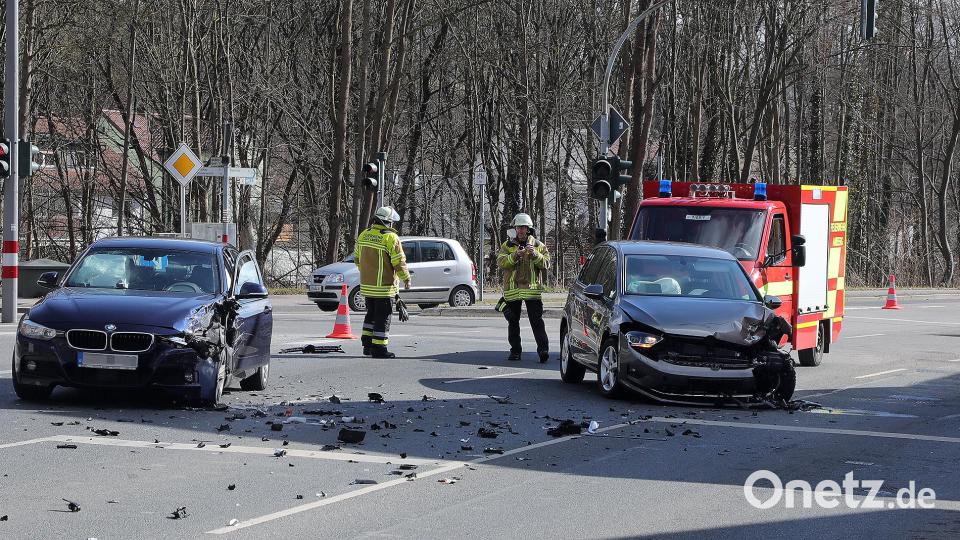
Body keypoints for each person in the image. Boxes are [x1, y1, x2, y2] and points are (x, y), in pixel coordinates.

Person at [355, 206, 411, 358]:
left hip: (367, 287)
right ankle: (379, 349)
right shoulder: (390, 238)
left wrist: (368, 274)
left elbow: (357, 259)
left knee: (370, 316)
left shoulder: (364, 235)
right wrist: (406, 278)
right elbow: (398, 261)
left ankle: (367, 347)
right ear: (388, 223)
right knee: (383, 318)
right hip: (384, 288)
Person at [497, 213, 551, 362]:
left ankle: (543, 350)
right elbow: (501, 263)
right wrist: (515, 256)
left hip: (532, 291)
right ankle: (515, 351)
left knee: (537, 322)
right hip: (513, 291)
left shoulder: (538, 245)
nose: (521, 230)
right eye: (519, 227)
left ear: (528, 229)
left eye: (524, 227)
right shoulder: (507, 246)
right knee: (513, 322)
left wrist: (535, 255)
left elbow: (546, 263)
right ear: (515, 228)